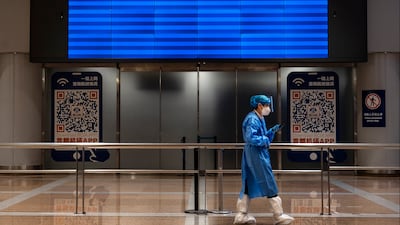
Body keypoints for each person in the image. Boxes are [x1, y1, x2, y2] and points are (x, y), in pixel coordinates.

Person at [234, 95, 294, 225]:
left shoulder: (258, 118)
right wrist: (266, 139)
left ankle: (241, 215)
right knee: (268, 181)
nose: (268, 108)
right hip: (256, 154)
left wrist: (271, 132)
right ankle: (279, 216)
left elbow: (260, 136)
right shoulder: (252, 119)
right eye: (266, 105)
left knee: (248, 184)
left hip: (253, 153)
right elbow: (252, 138)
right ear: (260, 105)